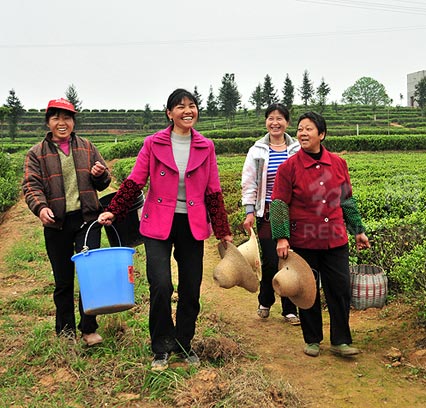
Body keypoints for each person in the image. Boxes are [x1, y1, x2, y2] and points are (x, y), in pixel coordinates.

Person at [97, 88, 233, 371]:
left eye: (192, 105)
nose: (187, 111)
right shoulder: (153, 143)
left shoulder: (205, 147)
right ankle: (161, 345)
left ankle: (184, 343)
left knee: (190, 289)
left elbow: (213, 191)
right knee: (161, 285)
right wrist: (115, 209)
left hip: (191, 224)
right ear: (169, 113)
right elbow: (135, 181)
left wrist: (223, 230)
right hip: (158, 222)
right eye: (180, 106)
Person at [269, 111, 370, 358]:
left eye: (309, 129)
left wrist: (358, 231)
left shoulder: (338, 164)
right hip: (304, 240)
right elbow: (280, 204)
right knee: (308, 291)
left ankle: (341, 340)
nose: (302, 133)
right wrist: (281, 237)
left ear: (321, 134)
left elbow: (347, 200)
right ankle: (312, 339)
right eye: (300, 129)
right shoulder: (289, 167)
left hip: (335, 238)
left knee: (340, 289)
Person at [22, 98, 111, 346]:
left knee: (89, 276)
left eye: (67, 118)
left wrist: (101, 174)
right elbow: (31, 186)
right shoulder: (36, 153)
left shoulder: (86, 147)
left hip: (86, 221)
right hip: (57, 224)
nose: (62, 123)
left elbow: (103, 181)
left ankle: (89, 328)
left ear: (73, 122)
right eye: (56, 118)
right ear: (48, 122)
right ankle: (65, 331)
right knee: (63, 281)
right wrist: (40, 208)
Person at [241, 103, 301, 325]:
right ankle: (265, 301)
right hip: (265, 210)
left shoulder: (296, 149)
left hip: (292, 210)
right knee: (269, 260)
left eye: (280, 118)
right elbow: (249, 182)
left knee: (289, 259)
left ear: (287, 122)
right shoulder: (257, 150)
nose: (275, 123)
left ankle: (289, 309)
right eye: (271, 118)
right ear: (266, 121)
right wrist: (249, 212)